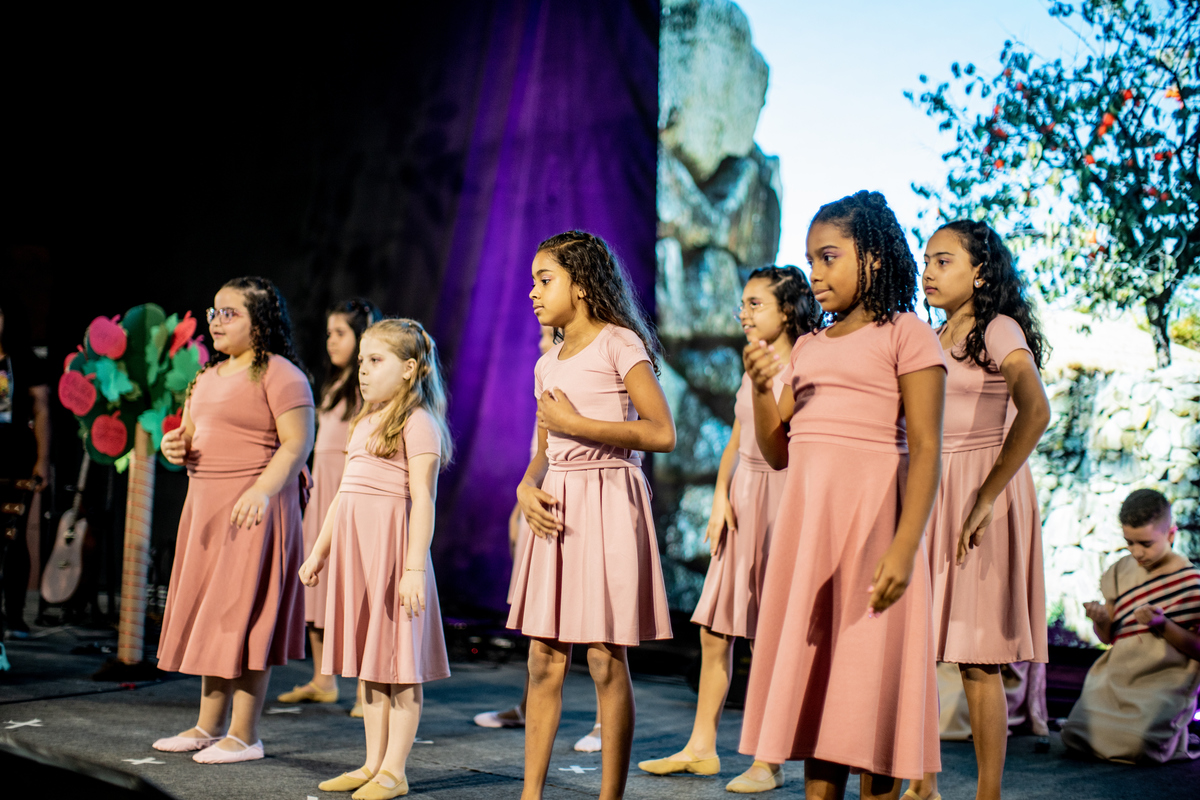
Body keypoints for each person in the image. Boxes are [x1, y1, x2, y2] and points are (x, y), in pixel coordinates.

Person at [740, 191, 945, 800]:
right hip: (812, 545)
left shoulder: (906, 333)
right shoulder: (807, 347)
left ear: (874, 257)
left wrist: (905, 549)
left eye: (829, 257)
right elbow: (779, 452)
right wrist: (758, 389)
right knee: (816, 707)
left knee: (869, 712)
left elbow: (929, 449)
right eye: (810, 260)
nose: (816, 274)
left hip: (877, 540)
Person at [638, 266, 820, 792]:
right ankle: (701, 747)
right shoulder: (752, 365)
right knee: (716, 629)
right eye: (743, 303)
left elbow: (783, 446)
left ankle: (769, 758)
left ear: (787, 310)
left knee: (771, 637)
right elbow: (737, 437)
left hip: (781, 500)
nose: (743, 313)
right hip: (744, 499)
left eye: (755, 303)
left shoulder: (804, 365)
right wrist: (721, 496)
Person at [508, 231, 675, 800]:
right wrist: (526, 489)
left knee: (606, 660)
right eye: (532, 280)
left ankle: (610, 796)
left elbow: (661, 431)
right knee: (543, 660)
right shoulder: (546, 361)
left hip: (607, 498)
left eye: (544, 279)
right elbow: (542, 449)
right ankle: (531, 793)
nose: (532, 291)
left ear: (580, 286)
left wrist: (580, 427)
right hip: (558, 504)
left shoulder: (617, 343)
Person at [906, 221, 1051, 800]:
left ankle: (987, 794)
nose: (929, 271)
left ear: (981, 272)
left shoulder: (998, 328)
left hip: (979, 492)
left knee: (976, 657)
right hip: (933, 489)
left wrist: (987, 495)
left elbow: (1035, 410)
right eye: (927, 261)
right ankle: (923, 783)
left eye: (944, 261)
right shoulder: (931, 335)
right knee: (917, 645)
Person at [155, 277, 315, 764]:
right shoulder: (205, 376)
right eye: (214, 311)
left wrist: (262, 491)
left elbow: (296, 444)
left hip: (255, 511)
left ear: (260, 322)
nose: (217, 321)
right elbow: (186, 437)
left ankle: (244, 735)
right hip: (207, 508)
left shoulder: (281, 374)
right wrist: (172, 447)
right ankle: (209, 725)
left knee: (246, 618)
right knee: (215, 616)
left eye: (231, 313)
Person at [301, 318, 453, 800]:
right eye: (362, 361)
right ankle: (372, 763)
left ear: (410, 369)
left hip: (395, 558)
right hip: (359, 561)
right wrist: (320, 551)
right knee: (371, 668)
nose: (363, 371)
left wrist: (412, 569)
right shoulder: (363, 421)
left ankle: (395, 770)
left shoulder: (419, 423)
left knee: (400, 670)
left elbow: (424, 501)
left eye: (375, 361)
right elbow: (343, 495)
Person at [474, 324, 606, 754]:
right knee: (543, 629)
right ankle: (529, 706)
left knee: (601, 633)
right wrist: (522, 498)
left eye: (547, 336)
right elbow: (543, 451)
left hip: (588, 502)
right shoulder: (545, 371)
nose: (539, 342)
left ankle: (606, 723)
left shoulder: (603, 361)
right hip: (547, 500)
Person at [278, 299, 381, 718]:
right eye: (329, 334)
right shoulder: (336, 383)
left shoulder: (367, 387)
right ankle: (324, 679)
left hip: (348, 491)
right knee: (316, 583)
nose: (331, 341)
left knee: (352, 588)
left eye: (339, 333)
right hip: (322, 490)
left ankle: (364, 688)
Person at [1062, 489, 1200, 763]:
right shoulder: (1118, 570)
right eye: (1129, 542)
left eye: (1146, 544)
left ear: (1171, 534)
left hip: (1164, 681)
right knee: (1074, 735)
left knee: (1138, 746)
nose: (1137, 552)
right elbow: (1110, 637)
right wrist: (1101, 620)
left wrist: (1163, 624)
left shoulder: (1192, 582)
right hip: (1116, 676)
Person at [0, 297, 50, 641]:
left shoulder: (25, 359)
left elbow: (42, 409)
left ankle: (15, 616)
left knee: (14, 541)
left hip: (15, 457)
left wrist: (42, 460)